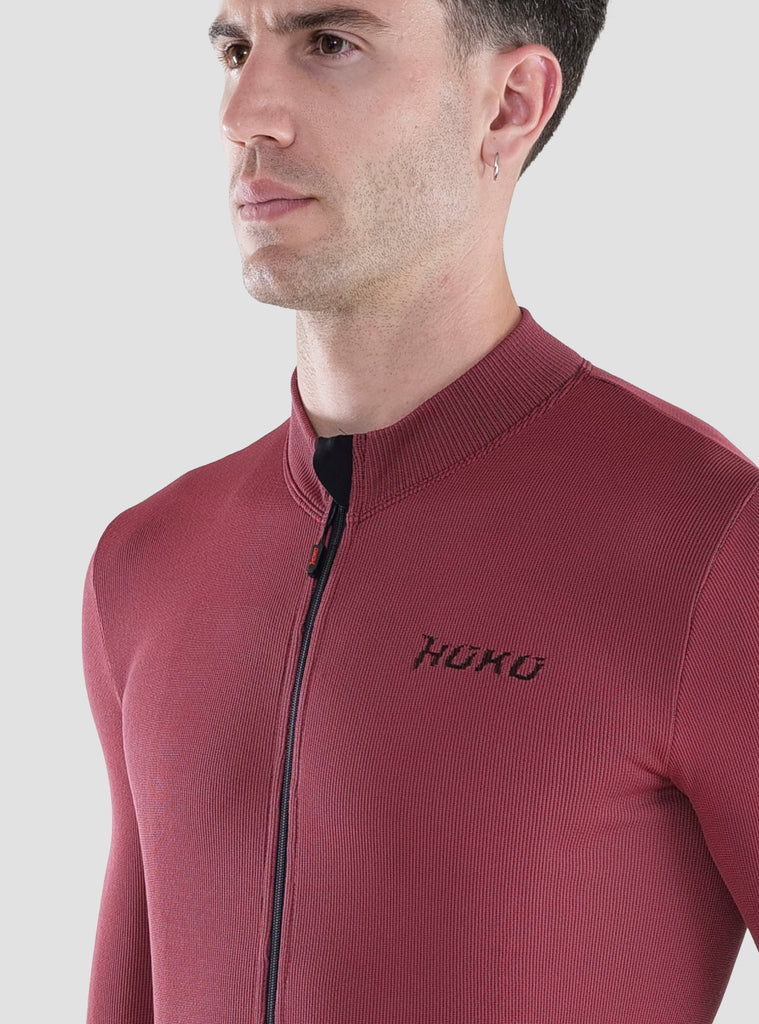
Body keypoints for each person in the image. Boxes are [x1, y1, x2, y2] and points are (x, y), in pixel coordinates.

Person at [81, 1, 758, 1022]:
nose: (244, 111)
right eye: (236, 49)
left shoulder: (710, 544)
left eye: (329, 44)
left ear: (509, 105)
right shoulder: (147, 559)